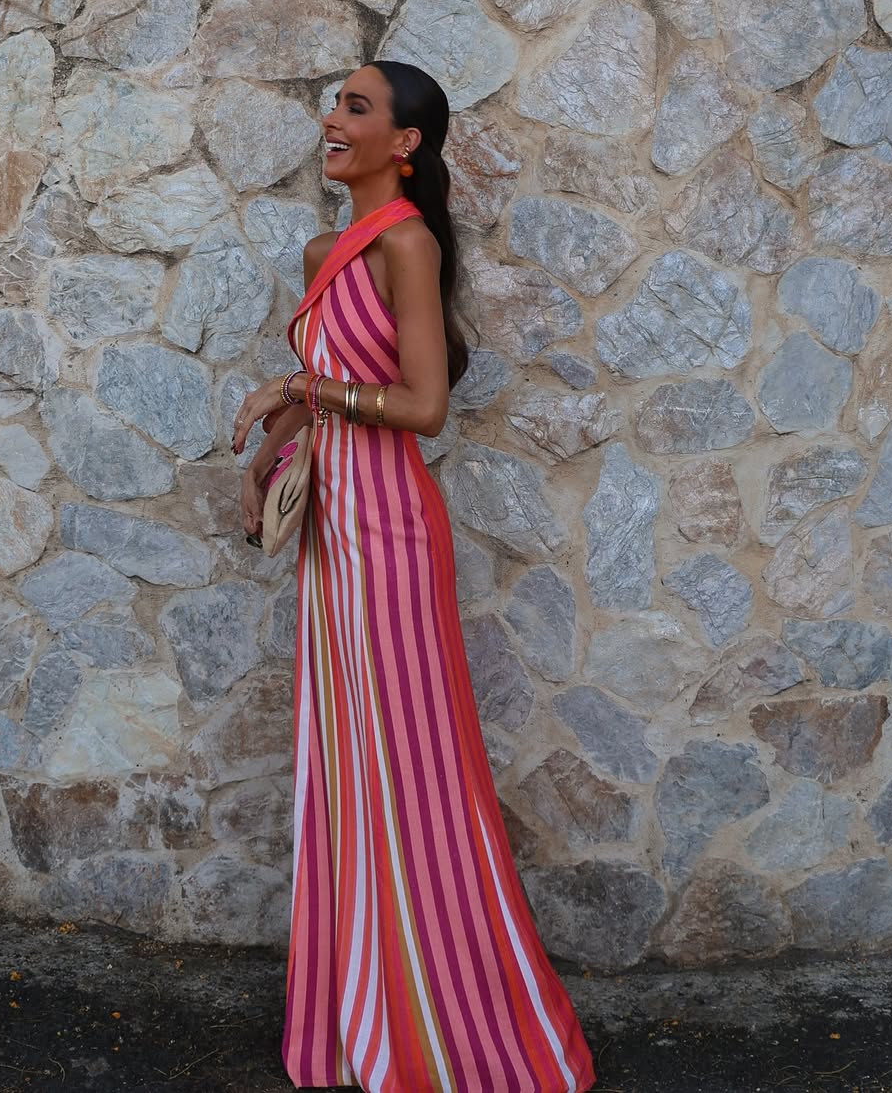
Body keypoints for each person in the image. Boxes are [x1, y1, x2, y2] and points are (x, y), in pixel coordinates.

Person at [232, 60, 597, 1093]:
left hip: (389, 535)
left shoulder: (407, 242)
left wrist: (301, 387)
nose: (331, 119)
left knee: (413, 768)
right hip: (329, 535)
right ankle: (367, 1010)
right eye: (334, 103)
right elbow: (333, 387)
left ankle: (451, 1026)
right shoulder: (324, 251)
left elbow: (423, 407)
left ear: (405, 145)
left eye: (356, 107)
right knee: (346, 763)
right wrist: (268, 459)